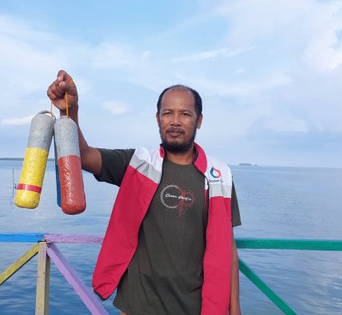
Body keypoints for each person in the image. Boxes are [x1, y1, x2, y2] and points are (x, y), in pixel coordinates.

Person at [47, 70, 242, 315]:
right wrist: (69, 110)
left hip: (195, 306)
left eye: (185, 114)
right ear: (157, 117)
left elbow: (228, 248)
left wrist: (234, 309)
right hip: (137, 304)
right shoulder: (137, 164)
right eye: (167, 113)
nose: (175, 121)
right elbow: (85, 156)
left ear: (199, 120)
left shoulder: (219, 175)